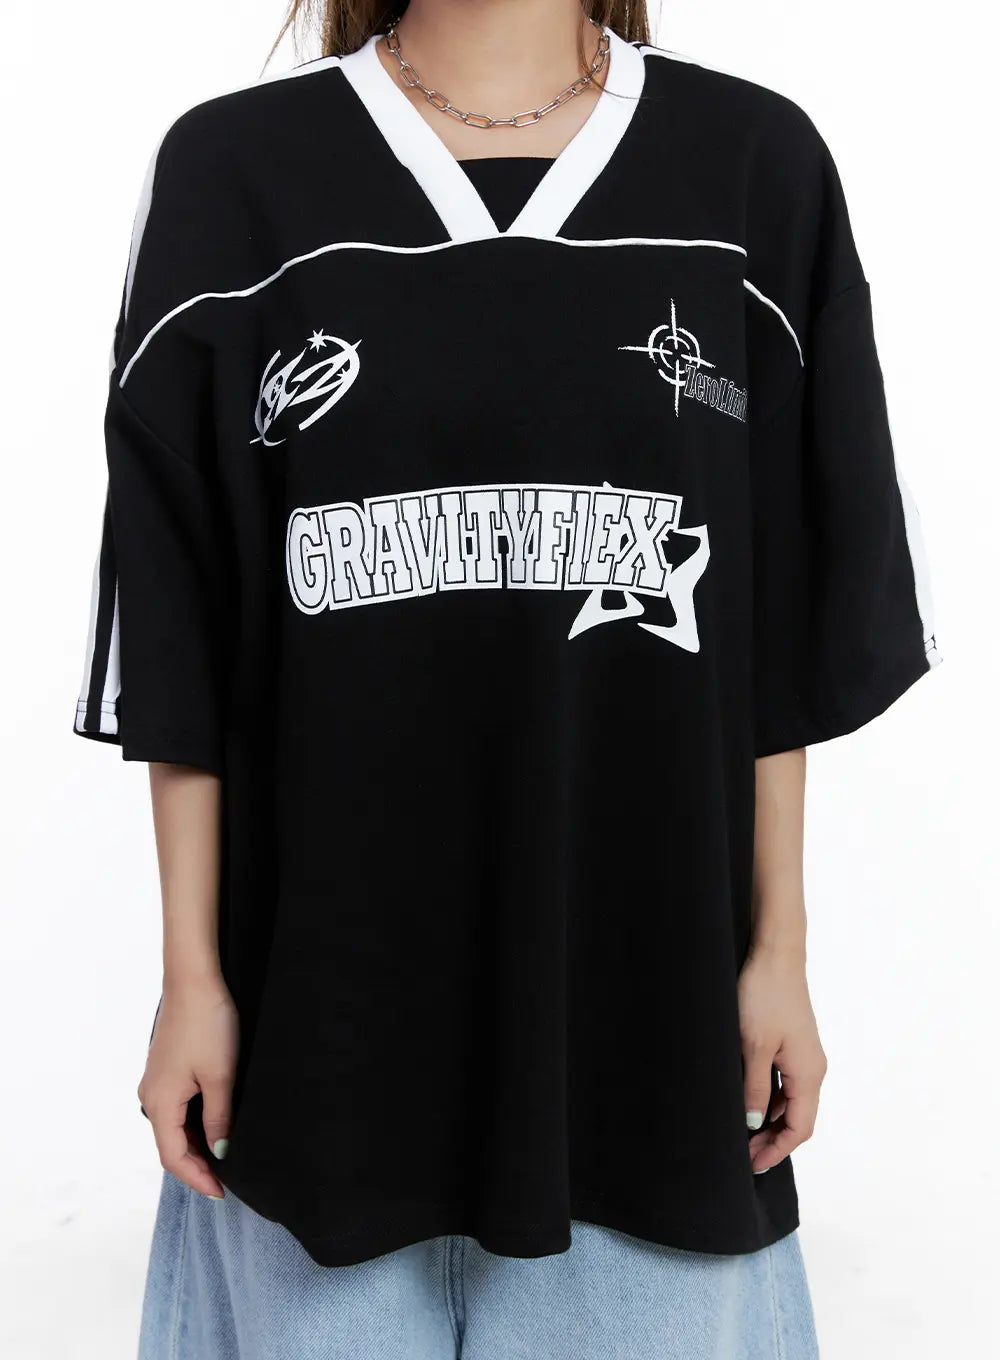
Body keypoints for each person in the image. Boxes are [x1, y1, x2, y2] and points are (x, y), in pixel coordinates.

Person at [72, 1, 942, 1356]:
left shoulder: (751, 168)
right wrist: (192, 978)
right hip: (316, 1054)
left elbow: (778, 636)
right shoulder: (235, 174)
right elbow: (181, 635)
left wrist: (780, 952)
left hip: (650, 1038)